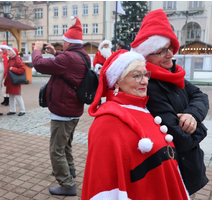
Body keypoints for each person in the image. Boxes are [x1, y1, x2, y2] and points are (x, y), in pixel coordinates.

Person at [82, 50, 190, 200]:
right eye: (136, 75)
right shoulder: (106, 124)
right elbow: (103, 186)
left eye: (146, 74)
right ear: (117, 81)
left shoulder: (142, 108)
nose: (145, 81)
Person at [131, 9, 209, 195]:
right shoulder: (147, 85)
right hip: (173, 169)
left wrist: (191, 115)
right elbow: (179, 139)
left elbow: (201, 96)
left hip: (189, 165)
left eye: (170, 48)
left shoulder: (174, 74)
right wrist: (202, 128)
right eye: (162, 51)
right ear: (146, 54)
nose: (170, 54)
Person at [32, 16, 88, 196]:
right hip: (73, 109)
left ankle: (66, 184)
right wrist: (55, 53)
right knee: (65, 145)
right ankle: (69, 172)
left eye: (63, 42)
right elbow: (67, 61)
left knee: (56, 150)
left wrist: (37, 51)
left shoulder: (69, 58)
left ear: (69, 43)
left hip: (63, 111)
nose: (62, 45)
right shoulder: (82, 55)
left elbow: (39, 65)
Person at [5, 47, 26, 116]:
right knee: (11, 96)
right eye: (8, 52)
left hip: (15, 81)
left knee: (17, 96)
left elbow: (22, 70)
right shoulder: (10, 59)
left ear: (13, 53)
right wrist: (5, 81)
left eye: (9, 52)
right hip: (10, 81)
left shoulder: (18, 60)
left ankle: (22, 110)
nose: (8, 53)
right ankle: (12, 110)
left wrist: (13, 69)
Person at [0, 42, 10, 106]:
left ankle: (7, 100)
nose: (2, 50)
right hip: (4, 74)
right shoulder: (4, 56)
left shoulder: (4, 56)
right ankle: (5, 100)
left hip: (5, 74)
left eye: (3, 49)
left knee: (5, 88)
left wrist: (4, 75)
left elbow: (5, 66)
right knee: (3, 88)